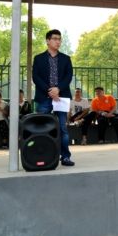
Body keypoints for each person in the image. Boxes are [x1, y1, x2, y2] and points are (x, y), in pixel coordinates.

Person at [32, 29, 75, 167]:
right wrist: (49, 90)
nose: (58, 41)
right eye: (55, 39)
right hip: (44, 97)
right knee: (40, 127)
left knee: (62, 128)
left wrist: (58, 89)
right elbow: (36, 77)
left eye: (59, 39)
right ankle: (40, 155)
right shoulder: (38, 58)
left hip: (61, 97)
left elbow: (68, 76)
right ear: (48, 41)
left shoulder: (66, 59)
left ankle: (65, 157)